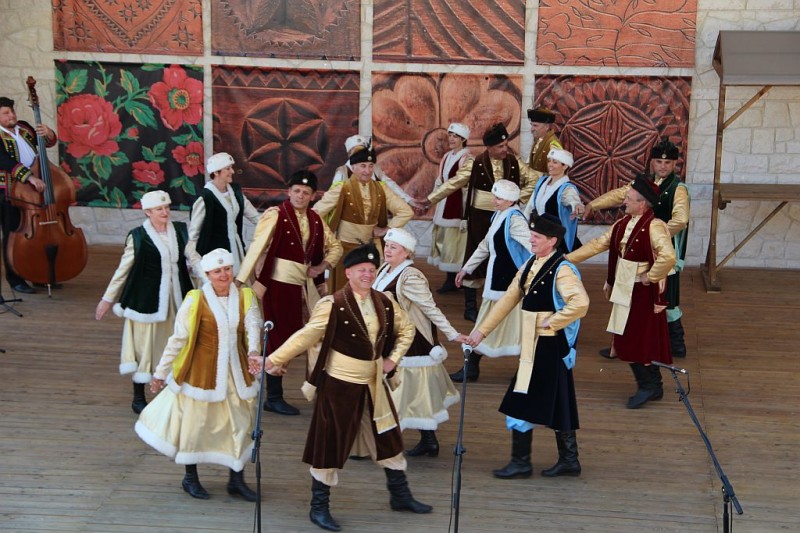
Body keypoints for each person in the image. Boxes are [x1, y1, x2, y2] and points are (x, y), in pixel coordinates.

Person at [251, 244, 431, 532]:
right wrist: (272, 359)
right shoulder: (332, 304)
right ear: (348, 273)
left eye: (372, 270)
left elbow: (407, 329)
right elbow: (306, 336)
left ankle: (400, 495)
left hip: (373, 383)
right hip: (339, 386)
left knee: (388, 437)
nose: (367, 275)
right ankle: (318, 507)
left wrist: (392, 359)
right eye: (361, 270)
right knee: (329, 444)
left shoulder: (384, 301)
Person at [466, 213, 589, 479]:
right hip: (534, 344)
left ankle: (522, 462)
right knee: (559, 399)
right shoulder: (530, 264)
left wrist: (552, 322)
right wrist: (481, 333)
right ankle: (569, 460)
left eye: (536, 236)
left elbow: (580, 303)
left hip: (550, 345)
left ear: (552, 241)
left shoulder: (563, 269)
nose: (530, 240)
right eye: (531, 235)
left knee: (519, 397)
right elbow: (508, 300)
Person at [135, 248, 261, 501]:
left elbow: (253, 326)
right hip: (201, 374)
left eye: (227, 269)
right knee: (195, 426)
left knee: (240, 425)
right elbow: (178, 339)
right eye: (217, 271)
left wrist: (254, 352)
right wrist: (160, 373)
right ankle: (190, 477)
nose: (223, 275)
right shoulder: (195, 299)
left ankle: (236, 479)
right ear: (207, 275)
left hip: (236, 374)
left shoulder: (245, 295)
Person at [235, 170, 343, 416]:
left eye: (305, 193)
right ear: (289, 191)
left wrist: (321, 267)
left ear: (313, 196)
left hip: (305, 287)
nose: (300, 196)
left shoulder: (316, 219)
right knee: (278, 338)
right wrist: (241, 280)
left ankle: (318, 387)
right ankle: (273, 397)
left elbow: (335, 247)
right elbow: (257, 247)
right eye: (296, 191)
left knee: (313, 334)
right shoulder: (275, 215)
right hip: (278, 285)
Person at [566, 176, 676, 409]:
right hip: (625, 285)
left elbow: (668, 256)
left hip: (642, 290)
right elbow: (598, 244)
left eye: (629, 199)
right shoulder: (623, 223)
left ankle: (649, 386)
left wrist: (651, 276)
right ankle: (652, 385)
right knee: (628, 335)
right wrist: (567, 259)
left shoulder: (655, 226)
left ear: (642, 204)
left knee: (637, 337)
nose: (624, 201)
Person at [425, 123, 541, 326]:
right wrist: (430, 200)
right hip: (479, 216)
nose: (505, 149)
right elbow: (455, 182)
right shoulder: (476, 163)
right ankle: (470, 307)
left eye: (506, 144)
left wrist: (516, 198)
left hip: (506, 216)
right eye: (500, 146)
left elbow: (534, 179)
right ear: (489, 147)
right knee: (475, 253)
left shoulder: (514, 162)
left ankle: (505, 304)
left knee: (504, 255)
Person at [584, 138, 690, 358]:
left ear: (674, 164)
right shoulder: (643, 183)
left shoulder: (677, 189)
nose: (662, 166)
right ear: (652, 162)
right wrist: (593, 204)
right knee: (624, 297)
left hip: (659, 250)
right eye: (659, 162)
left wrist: (656, 236)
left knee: (666, 299)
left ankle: (676, 343)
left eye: (667, 163)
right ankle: (620, 345)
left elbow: (680, 219)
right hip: (636, 250)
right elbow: (619, 195)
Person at [95, 190, 194, 414]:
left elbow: (193, 258)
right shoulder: (138, 236)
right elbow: (123, 270)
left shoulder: (180, 231)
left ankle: (173, 395)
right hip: (146, 301)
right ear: (148, 212)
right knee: (144, 347)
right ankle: (138, 397)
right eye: (159, 209)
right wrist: (107, 299)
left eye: (166, 207)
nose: (165, 212)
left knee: (177, 344)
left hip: (177, 300)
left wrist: (209, 278)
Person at [373, 228, 465, 458]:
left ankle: (383, 442)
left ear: (406, 252)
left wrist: (452, 334)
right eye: (387, 245)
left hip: (409, 342)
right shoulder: (384, 269)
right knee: (413, 391)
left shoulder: (410, 276)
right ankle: (428, 440)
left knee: (400, 390)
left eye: (394, 247)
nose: (387, 250)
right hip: (388, 339)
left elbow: (430, 308)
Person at [453, 180, 532, 382]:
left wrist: (528, 274)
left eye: (499, 198)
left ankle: (523, 372)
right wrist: (467, 268)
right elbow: (485, 245)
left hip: (508, 285)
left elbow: (534, 247)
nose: (493, 200)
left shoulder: (515, 220)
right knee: (503, 326)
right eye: (494, 196)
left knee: (509, 327)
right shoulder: (499, 215)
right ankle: (474, 366)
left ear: (510, 201)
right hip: (497, 282)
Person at [313, 144, 414, 293]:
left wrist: (385, 230)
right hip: (344, 249)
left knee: (366, 289)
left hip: (369, 249)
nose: (367, 171)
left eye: (371, 166)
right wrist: (328, 237)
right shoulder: (342, 188)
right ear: (353, 167)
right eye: (363, 166)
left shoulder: (381, 188)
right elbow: (315, 213)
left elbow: (406, 211)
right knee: (343, 291)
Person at [0, 96, 55, 294]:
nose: (11, 115)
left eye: (12, 111)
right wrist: (29, 177)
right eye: (6, 113)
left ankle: (37, 274)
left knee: (37, 233)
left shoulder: (24, 127)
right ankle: (15, 278)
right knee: (13, 235)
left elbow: (45, 142)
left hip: (34, 189)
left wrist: (49, 134)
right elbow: (4, 160)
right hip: (10, 192)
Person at [185, 152, 260, 285]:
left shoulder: (236, 193)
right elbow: (194, 234)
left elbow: (255, 216)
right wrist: (195, 262)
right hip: (214, 255)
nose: (232, 171)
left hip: (236, 251)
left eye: (231, 168)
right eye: (228, 169)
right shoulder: (205, 198)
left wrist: (271, 222)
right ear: (216, 172)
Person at [427, 123, 471, 293]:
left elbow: (459, 183)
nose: (451, 139)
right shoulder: (447, 156)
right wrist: (433, 198)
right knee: (444, 242)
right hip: (444, 203)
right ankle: (450, 278)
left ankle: (455, 279)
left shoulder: (466, 158)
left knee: (454, 245)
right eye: (450, 135)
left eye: (455, 136)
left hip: (456, 206)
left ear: (463, 139)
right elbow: (440, 180)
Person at [330, 134, 424, 212]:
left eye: (362, 151)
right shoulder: (342, 172)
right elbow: (333, 199)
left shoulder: (373, 168)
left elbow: (389, 184)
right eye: (356, 152)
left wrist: (408, 200)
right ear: (350, 154)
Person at [522, 148, 585, 252]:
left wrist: (577, 205)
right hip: (539, 233)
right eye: (549, 161)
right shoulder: (542, 182)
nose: (550, 165)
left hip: (555, 238)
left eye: (555, 162)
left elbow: (571, 198)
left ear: (565, 166)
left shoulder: (566, 188)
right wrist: (524, 224)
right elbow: (530, 206)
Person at [527, 106, 562, 174]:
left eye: (535, 126)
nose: (531, 129)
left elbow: (555, 173)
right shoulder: (538, 141)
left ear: (546, 127)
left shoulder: (553, 144)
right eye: (532, 125)